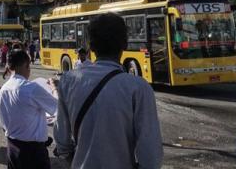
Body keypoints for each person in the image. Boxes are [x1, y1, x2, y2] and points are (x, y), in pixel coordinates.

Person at [53, 13, 163, 168]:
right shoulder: (138, 88)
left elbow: (62, 141)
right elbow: (150, 154)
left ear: (90, 46)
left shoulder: (68, 81)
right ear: (124, 44)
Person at [0, 50, 58, 168]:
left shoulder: (3, 91)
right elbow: (57, 108)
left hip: (12, 148)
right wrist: (54, 88)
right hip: (33, 152)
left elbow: (3, 124)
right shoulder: (31, 88)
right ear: (26, 65)